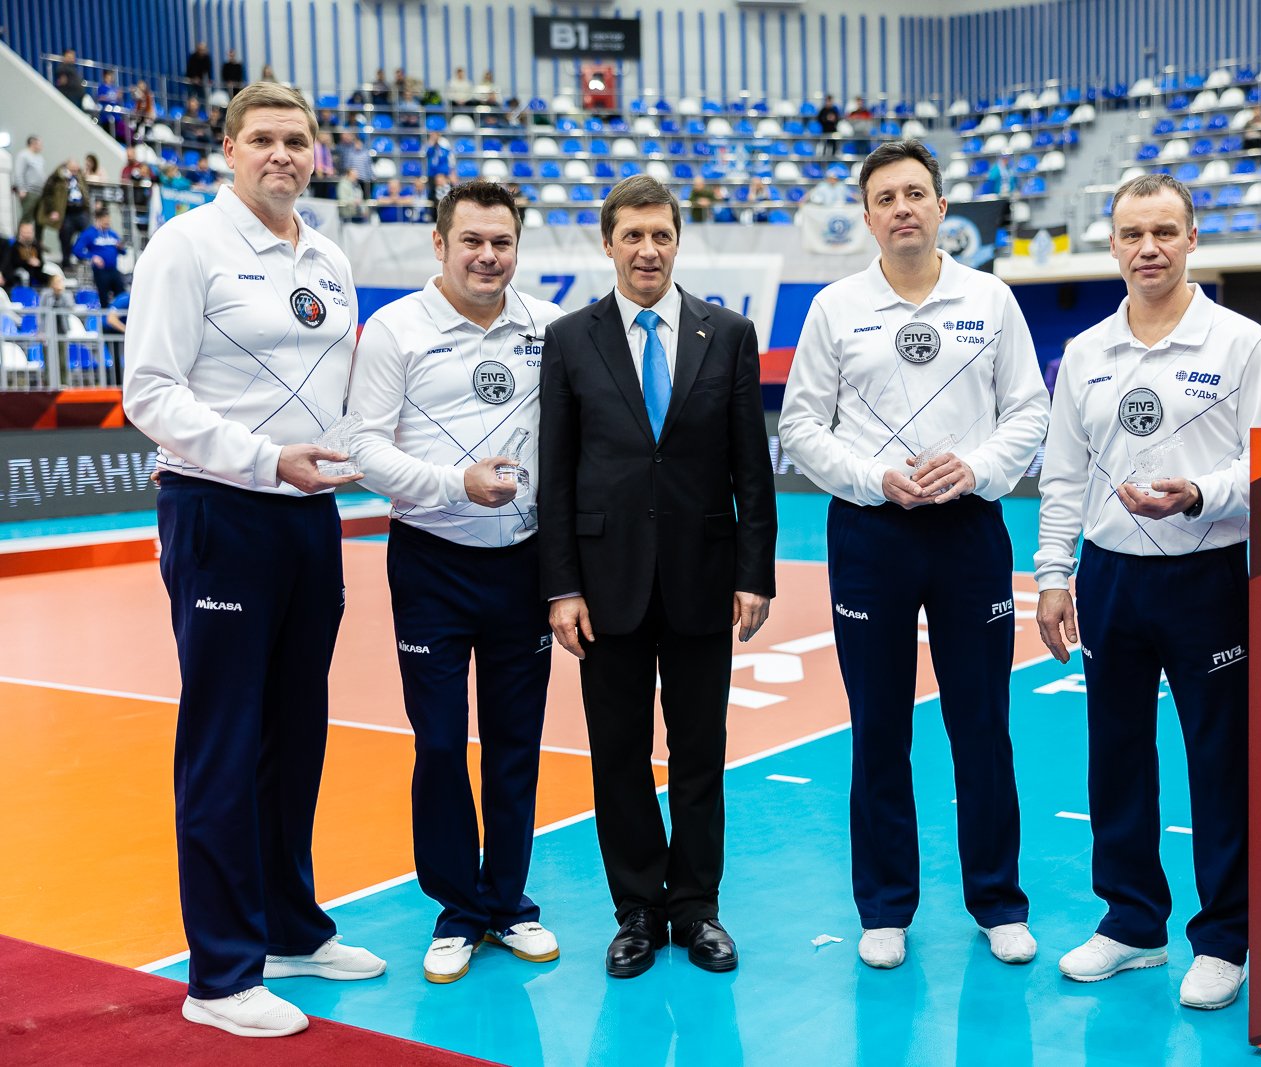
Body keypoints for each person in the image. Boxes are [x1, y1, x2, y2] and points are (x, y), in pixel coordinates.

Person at [121, 81, 387, 1040]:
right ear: (228, 150)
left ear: (317, 154)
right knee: (224, 741)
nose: (282, 155)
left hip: (309, 517)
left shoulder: (328, 254)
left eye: (297, 141)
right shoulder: (186, 245)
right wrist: (264, 458)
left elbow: (343, 393)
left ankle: (288, 928)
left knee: (295, 732)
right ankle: (221, 973)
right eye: (263, 139)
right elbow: (150, 391)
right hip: (221, 509)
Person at [778, 139, 1049, 972]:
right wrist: (873, 479)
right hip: (872, 534)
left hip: (970, 531)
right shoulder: (835, 307)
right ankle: (886, 906)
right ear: (867, 217)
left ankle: (998, 902)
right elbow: (800, 426)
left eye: (915, 193)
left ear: (941, 207)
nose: (902, 207)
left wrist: (979, 468)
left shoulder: (991, 299)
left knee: (983, 723)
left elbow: (1029, 411)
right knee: (879, 725)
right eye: (885, 197)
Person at [1034, 173, 1261, 1010]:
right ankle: (1134, 922)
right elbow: (1062, 475)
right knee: (1115, 754)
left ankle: (1226, 937)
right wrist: (1054, 573)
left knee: (1219, 760)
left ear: (1192, 239)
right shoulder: (1086, 353)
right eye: (1133, 234)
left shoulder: (1240, 342)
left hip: (1208, 576)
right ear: (1112, 245)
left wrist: (1199, 493)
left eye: (1165, 232)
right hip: (1110, 576)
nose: (1149, 248)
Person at [538, 174, 777, 979]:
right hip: (604, 584)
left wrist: (755, 573)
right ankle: (637, 910)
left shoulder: (728, 333)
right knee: (618, 754)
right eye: (633, 235)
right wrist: (561, 586)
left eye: (661, 235)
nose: (648, 250)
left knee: (701, 750)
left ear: (679, 242)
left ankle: (697, 907)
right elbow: (556, 472)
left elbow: (752, 466)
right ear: (607, 243)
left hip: (704, 576)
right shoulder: (570, 338)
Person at [347, 180, 564, 986]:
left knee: (515, 743)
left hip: (524, 564)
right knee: (439, 743)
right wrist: (454, 485)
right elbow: (363, 447)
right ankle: (456, 909)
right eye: (471, 240)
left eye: (502, 242)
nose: (487, 256)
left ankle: (506, 901)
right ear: (439, 244)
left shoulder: (548, 327)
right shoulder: (395, 330)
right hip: (431, 561)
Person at [71, 206, 126, 308]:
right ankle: (105, 316)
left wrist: (120, 247)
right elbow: (77, 250)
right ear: (98, 219)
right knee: (104, 297)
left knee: (122, 295)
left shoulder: (112, 234)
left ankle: (121, 315)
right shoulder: (89, 233)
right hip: (100, 272)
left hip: (113, 270)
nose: (107, 222)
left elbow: (123, 251)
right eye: (105, 220)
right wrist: (92, 257)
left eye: (108, 219)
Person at [3, 221, 47, 289]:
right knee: (24, 275)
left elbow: (41, 262)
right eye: (25, 232)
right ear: (20, 233)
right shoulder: (15, 246)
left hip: (35, 272)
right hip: (19, 272)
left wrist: (38, 263)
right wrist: (28, 261)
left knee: (51, 278)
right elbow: (13, 262)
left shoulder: (36, 246)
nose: (27, 235)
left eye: (29, 232)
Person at [13, 135, 46, 226]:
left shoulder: (39, 158)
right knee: (27, 217)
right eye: (40, 144)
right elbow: (19, 173)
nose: (41, 146)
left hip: (40, 192)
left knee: (40, 219)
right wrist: (21, 189)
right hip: (29, 192)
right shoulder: (23, 155)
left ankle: (37, 235)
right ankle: (20, 235)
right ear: (33, 144)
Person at [818, 94, 842, 159]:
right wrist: (827, 118)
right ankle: (823, 158)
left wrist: (834, 119)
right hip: (825, 131)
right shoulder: (823, 110)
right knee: (824, 146)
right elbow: (819, 119)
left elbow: (838, 119)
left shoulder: (834, 110)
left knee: (834, 145)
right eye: (828, 101)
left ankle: (833, 157)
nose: (829, 103)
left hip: (833, 130)